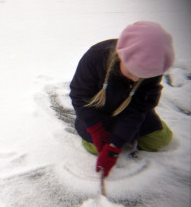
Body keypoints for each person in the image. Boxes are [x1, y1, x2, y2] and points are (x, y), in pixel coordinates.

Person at [69, 21, 175, 177]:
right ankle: (121, 136)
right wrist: (97, 130)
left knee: (161, 140)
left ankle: (126, 135)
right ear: (121, 55)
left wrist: (115, 144)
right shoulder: (96, 57)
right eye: (131, 71)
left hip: (128, 112)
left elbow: (139, 108)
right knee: (94, 148)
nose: (135, 79)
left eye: (141, 76)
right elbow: (79, 97)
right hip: (98, 112)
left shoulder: (154, 68)